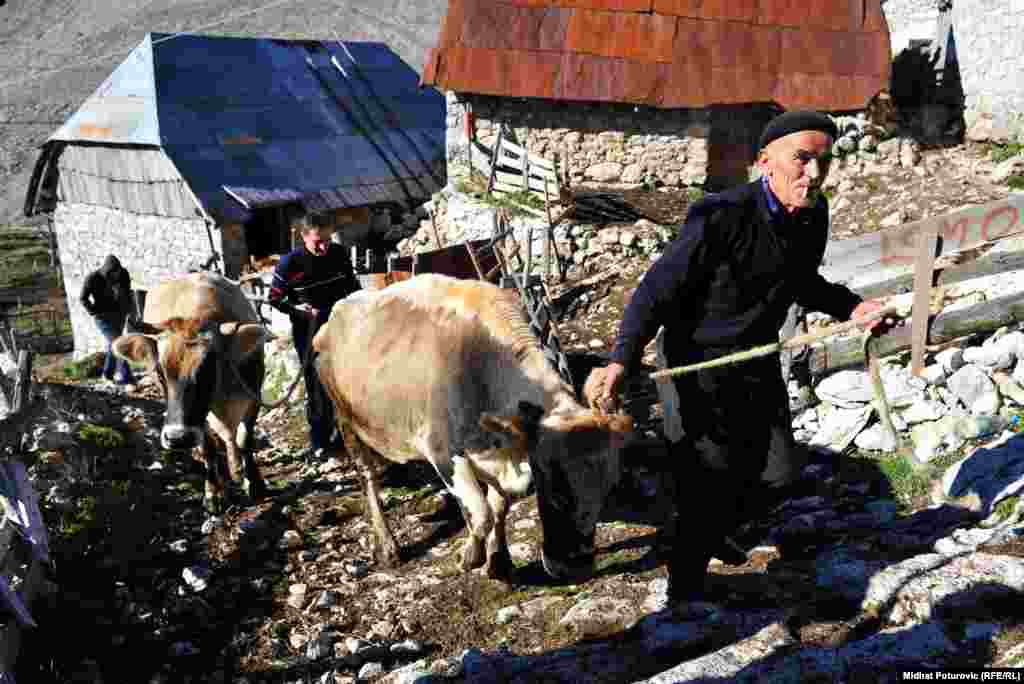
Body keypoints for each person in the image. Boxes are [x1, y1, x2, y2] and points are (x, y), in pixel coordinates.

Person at [593, 111, 891, 610]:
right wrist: (622, 358)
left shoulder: (812, 216)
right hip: (696, 361)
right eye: (802, 159)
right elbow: (656, 291)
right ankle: (684, 588)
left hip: (754, 356)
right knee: (703, 474)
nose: (814, 175)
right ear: (764, 161)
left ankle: (721, 534)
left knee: (775, 472)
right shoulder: (721, 214)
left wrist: (852, 307)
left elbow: (801, 281)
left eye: (824, 161)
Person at [269, 209, 361, 462]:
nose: (323, 246)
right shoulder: (289, 263)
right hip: (309, 331)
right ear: (304, 237)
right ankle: (320, 441)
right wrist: (296, 309)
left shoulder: (339, 254)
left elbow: (353, 286)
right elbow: (274, 299)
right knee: (317, 386)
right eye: (317, 242)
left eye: (327, 240)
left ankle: (348, 436)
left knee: (348, 382)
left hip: (342, 326)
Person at [80, 254, 136, 387]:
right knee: (119, 343)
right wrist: (93, 312)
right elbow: (83, 298)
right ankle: (127, 378)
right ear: (107, 270)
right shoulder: (93, 278)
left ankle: (107, 374)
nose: (117, 275)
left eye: (118, 271)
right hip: (102, 317)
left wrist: (128, 310)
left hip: (119, 315)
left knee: (113, 344)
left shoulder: (123, 274)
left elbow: (127, 292)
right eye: (114, 272)